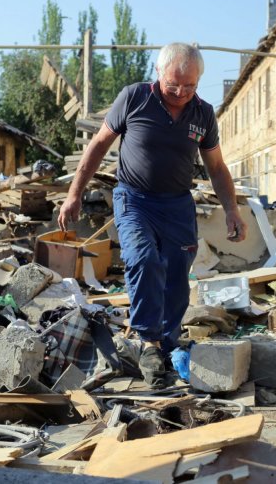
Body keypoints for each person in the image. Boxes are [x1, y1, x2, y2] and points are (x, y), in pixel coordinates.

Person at [58, 42, 247, 386]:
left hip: (177, 204)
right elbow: (98, 145)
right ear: (158, 73)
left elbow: (216, 167)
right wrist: (74, 194)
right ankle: (148, 341)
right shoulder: (134, 98)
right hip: (135, 199)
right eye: (173, 84)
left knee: (177, 276)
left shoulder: (202, 114)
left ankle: (167, 344)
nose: (181, 92)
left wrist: (232, 210)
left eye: (189, 86)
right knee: (143, 259)